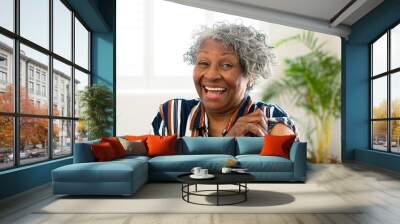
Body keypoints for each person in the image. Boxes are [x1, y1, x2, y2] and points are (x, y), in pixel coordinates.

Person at [151, 22, 295, 137]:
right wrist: (229, 142)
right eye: (203, 63)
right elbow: (157, 171)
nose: (211, 75)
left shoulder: (269, 118)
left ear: (252, 74)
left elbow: (284, 170)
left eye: (226, 65)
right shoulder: (172, 115)